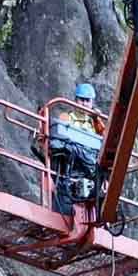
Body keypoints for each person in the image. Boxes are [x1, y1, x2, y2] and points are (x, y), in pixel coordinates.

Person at [45, 82, 108, 222]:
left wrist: (97, 119)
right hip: (71, 161)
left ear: (92, 102)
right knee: (64, 185)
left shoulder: (94, 123)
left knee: (101, 173)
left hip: (87, 164)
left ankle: (99, 210)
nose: (85, 104)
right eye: (82, 100)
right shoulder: (67, 117)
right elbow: (59, 137)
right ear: (76, 100)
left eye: (88, 101)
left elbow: (104, 139)